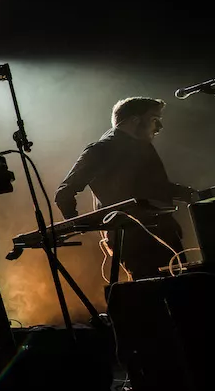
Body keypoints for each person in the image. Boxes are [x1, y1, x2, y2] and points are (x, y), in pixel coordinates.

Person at [54, 97, 193, 280]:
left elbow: (154, 187)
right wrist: (79, 224)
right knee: (153, 291)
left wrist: (190, 194)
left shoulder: (143, 147)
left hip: (165, 232)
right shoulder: (100, 150)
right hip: (133, 240)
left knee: (184, 288)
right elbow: (64, 193)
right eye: (154, 119)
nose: (159, 127)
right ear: (134, 120)